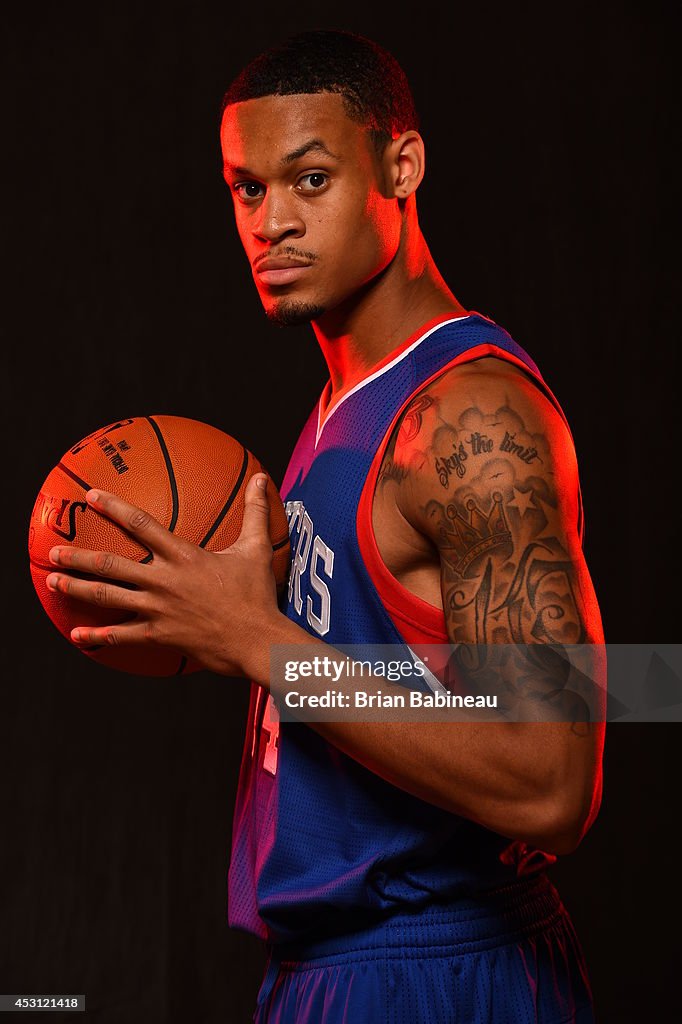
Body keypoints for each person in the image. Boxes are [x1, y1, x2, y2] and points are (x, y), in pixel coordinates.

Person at [44, 30, 605, 1024]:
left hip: (439, 965)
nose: (271, 222)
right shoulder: (336, 409)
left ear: (402, 164)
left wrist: (262, 642)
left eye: (309, 179)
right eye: (246, 189)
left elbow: (554, 779)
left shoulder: (468, 419)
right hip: (323, 968)